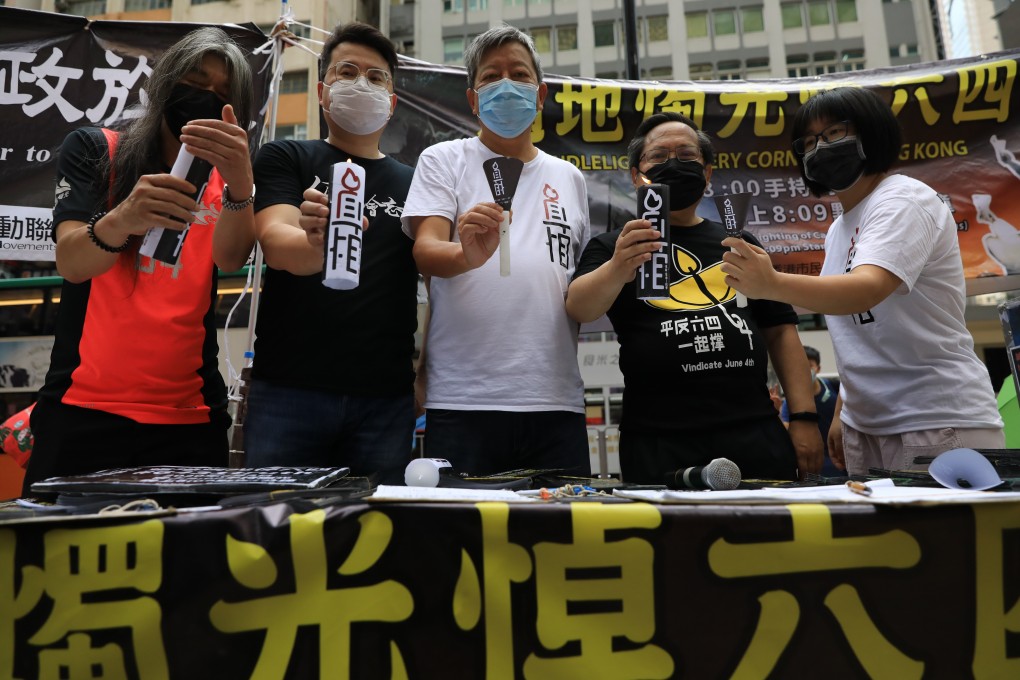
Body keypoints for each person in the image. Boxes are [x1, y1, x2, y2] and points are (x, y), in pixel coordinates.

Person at [721, 86, 1004, 475]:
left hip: (935, 418)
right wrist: (844, 410)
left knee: (944, 537)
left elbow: (867, 290)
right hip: (868, 423)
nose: (820, 148)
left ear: (872, 132)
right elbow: (857, 336)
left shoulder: (902, 199)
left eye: (834, 133)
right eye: (808, 142)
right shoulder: (839, 228)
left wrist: (770, 282)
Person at [23, 28, 257, 494]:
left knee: (185, 562)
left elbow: (231, 259)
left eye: (224, 94)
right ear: (163, 83)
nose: (206, 97)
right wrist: (124, 217)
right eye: (195, 80)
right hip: (83, 409)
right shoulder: (97, 150)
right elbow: (71, 262)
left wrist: (240, 189)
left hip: (190, 417)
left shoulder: (226, 185)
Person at [566, 111, 822, 484]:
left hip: (753, 432)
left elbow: (781, 332)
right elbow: (579, 308)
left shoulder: (738, 243)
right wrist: (620, 266)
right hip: (657, 441)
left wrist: (803, 418)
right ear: (637, 175)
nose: (674, 164)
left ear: (707, 173)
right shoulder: (613, 245)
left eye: (687, 156)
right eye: (659, 157)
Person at [401, 26, 590, 477]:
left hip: (555, 397)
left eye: (519, 74)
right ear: (472, 99)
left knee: (564, 538)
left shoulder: (569, 178)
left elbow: (574, 286)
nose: (506, 85)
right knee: (465, 539)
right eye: (491, 77)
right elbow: (425, 251)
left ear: (540, 93)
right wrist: (468, 255)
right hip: (464, 399)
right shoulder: (443, 159)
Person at [243, 23, 418, 485]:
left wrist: (425, 376)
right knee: (274, 531)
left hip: (385, 398)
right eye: (347, 71)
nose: (362, 84)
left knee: (377, 540)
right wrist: (316, 243)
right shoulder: (286, 157)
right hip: (288, 390)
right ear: (322, 90)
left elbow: (436, 281)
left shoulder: (415, 182)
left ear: (392, 101)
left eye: (377, 77)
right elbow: (277, 244)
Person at [779, 346, 840, 476]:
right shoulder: (790, 400)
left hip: (837, 454)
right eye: (801, 365)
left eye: (810, 365)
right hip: (813, 455)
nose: (805, 370)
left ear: (818, 368)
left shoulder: (835, 387)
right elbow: (786, 426)